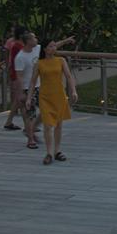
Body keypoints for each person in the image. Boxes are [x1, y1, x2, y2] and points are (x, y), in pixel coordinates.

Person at [27, 37, 77, 165]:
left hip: (59, 95)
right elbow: (33, 82)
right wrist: (29, 98)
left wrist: (73, 91)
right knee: (48, 125)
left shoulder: (61, 61)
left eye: (54, 46)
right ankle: (49, 153)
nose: (53, 48)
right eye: (50, 46)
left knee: (58, 124)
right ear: (44, 49)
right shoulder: (39, 63)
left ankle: (57, 151)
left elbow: (68, 76)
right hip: (45, 97)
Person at [14, 32, 41, 149]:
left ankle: (31, 130)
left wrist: (65, 41)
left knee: (45, 110)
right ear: (28, 41)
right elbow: (18, 77)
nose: (36, 39)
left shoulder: (37, 49)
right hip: (27, 88)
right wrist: (20, 93)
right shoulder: (20, 57)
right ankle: (30, 139)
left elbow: (52, 45)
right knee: (30, 114)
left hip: (38, 86)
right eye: (34, 38)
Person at [3, 26, 26, 131]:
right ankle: (29, 125)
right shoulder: (17, 46)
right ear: (21, 35)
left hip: (19, 75)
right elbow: (17, 61)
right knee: (20, 99)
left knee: (19, 100)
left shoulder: (20, 45)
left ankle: (10, 122)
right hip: (18, 75)